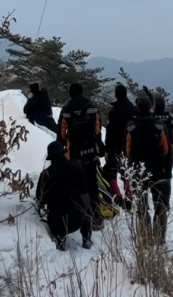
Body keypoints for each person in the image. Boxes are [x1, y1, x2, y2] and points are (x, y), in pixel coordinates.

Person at [125, 95, 173, 242]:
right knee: (160, 204)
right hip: (157, 170)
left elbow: (127, 150)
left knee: (141, 206)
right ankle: (159, 238)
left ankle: (145, 236)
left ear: (137, 107)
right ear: (150, 107)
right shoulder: (159, 125)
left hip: (139, 170)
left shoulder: (131, 126)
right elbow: (166, 149)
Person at [58, 83, 104, 229]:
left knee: (76, 187)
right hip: (90, 151)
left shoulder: (66, 110)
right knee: (92, 185)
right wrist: (98, 146)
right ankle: (96, 218)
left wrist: (62, 152)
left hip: (73, 154)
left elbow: (62, 134)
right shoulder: (92, 107)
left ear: (70, 94)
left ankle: (79, 218)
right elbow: (97, 131)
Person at [36, 139, 93, 250]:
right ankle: (86, 238)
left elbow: (40, 198)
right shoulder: (76, 167)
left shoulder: (46, 174)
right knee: (86, 198)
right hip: (78, 218)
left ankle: (60, 241)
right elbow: (84, 189)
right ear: (63, 153)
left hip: (57, 223)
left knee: (57, 209)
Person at [104, 84, 137, 204]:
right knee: (127, 171)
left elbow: (110, 132)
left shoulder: (114, 111)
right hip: (131, 146)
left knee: (109, 171)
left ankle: (117, 195)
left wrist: (107, 149)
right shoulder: (133, 110)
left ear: (116, 95)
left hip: (116, 146)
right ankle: (129, 196)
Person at [153, 95, 173, 161]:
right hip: (168, 153)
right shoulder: (171, 120)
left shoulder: (150, 119)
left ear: (155, 106)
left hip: (152, 150)